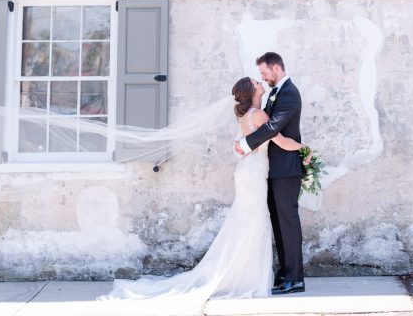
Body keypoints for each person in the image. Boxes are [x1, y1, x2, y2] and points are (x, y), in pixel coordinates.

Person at [92, 73, 305, 314]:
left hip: (247, 172)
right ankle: (246, 277)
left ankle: (241, 274)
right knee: (254, 221)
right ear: (253, 92)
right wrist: (305, 150)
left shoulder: (245, 115)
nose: (260, 82)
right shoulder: (258, 114)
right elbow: (282, 142)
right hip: (254, 174)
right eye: (257, 83)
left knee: (247, 220)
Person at [235, 51, 305, 295]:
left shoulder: (289, 93)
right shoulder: (276, 93)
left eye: (264, 73)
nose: (263, 78)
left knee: (288, 223)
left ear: (276, 68)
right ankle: (285, 274)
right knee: (278, 223)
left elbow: (273, 127)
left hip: (286, 169)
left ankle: (295, 278)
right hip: (272, 170)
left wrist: (244, 144)